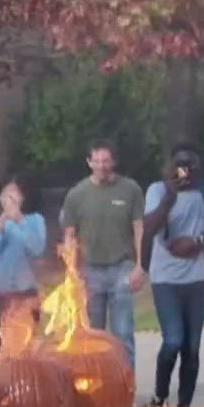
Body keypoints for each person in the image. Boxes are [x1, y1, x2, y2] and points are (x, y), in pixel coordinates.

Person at [141, 143, 204, 407]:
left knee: (192, 347)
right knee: (173, 340)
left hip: (195, 278)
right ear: (171, 166)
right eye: (181, 165)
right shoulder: (158, 190)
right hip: (165, 278)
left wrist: (198, 241)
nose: (186, 171)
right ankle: (159, 397)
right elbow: (149, 229)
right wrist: (169, 198)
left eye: (191, 165)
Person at [58, 139, 145, 366]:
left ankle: (126, 392)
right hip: (90, 271)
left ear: (114, 162)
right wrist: (72, 273)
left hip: (122, 269)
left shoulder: (130, 190)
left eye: (105, 161)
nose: (101, 166)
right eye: (96, 161)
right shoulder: (76, 195)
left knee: (123, 334)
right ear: (88, 162)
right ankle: (96, 392)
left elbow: (139, 228)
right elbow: (69, 235)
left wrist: (139, 266)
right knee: (92, 337)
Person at [0, 175, 48, 364]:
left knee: (25, 353)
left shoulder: (35, 221)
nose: (11, 198)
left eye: (15, 193)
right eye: (7, 194)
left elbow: (37, 248)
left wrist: (20, 221)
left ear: (23, 198)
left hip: (25, 293)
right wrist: (0, 232)